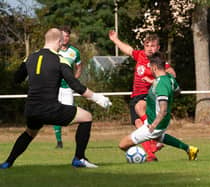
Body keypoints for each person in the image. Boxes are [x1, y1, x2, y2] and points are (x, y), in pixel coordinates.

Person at [0, 28, 112, 169]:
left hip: (31, 109)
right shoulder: (60, 59)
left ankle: (7, 162)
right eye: (61, 42)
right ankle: (79, 158)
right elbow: (75, 85)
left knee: (30, 132)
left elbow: (16, 79)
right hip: (50, 109)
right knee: (87, 117)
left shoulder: (30, 57)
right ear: (59, 41)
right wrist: (97, 98)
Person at [109, 30, 176, 162]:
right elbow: (128, 50)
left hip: (148, 96)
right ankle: (152, 147)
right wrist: (115, 40)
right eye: (147, 45)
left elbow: (171, 73)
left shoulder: (158, 62)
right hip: (136, 96)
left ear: (158, 48)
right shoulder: (140, 55)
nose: (150, 49)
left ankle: (151, 152)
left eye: (153, 46)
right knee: (138, 124)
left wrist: (155, 81)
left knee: (140, 108)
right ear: (144, 46)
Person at [119, 52, 199, 161]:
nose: (150, 69)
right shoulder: (169, 78)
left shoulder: (161, 85)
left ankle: (141, 155)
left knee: (123, 144)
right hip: (158, 121)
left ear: (155, 67)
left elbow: (163, 110)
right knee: (160, 137)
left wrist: (153, 125)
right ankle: (189, 149)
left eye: (150, 67)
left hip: (155, 123)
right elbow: (177, 90)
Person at [53, 26, 82, 149]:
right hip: (54, 87)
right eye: (63, 35)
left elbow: (79, 68)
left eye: (67, 36)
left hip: (67, 88)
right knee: (55, 113)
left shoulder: (74, 51)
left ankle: (82, 128)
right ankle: (59, 142)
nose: (65, 38)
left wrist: (73, 81)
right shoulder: (53, 50)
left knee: (68, 115)